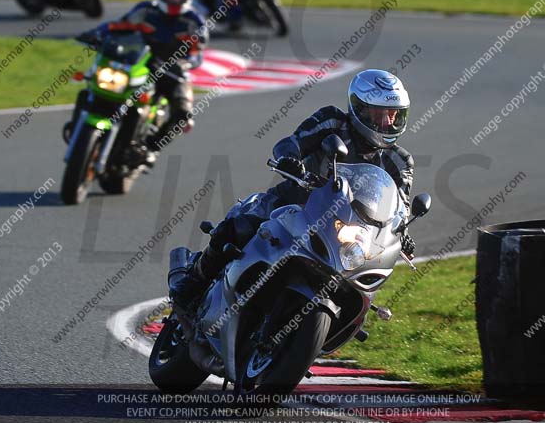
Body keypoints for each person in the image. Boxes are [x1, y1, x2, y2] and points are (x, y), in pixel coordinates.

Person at [170, 69, 417, 314]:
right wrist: (290, 159)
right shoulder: (331, 121)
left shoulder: (400, 161)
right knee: (240, 225)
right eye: (379, 114)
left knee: (359, 288)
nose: (387, 123)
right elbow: (291, 143)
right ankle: (192, 283)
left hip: (345, 231)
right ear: (359, 108)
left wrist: (402, 232)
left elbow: (400, 209)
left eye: (394, 115)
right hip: (296, 203)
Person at [70, 0, 207, 163]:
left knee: (183, 114)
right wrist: (97, 34)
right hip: (139, 64)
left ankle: (149, 148)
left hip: (173, 72)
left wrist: (184, 63)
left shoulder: (194, 21)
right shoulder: (145, 11)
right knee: (95, 84)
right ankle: (79, 128)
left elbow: (197, 53)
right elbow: (117, 26)